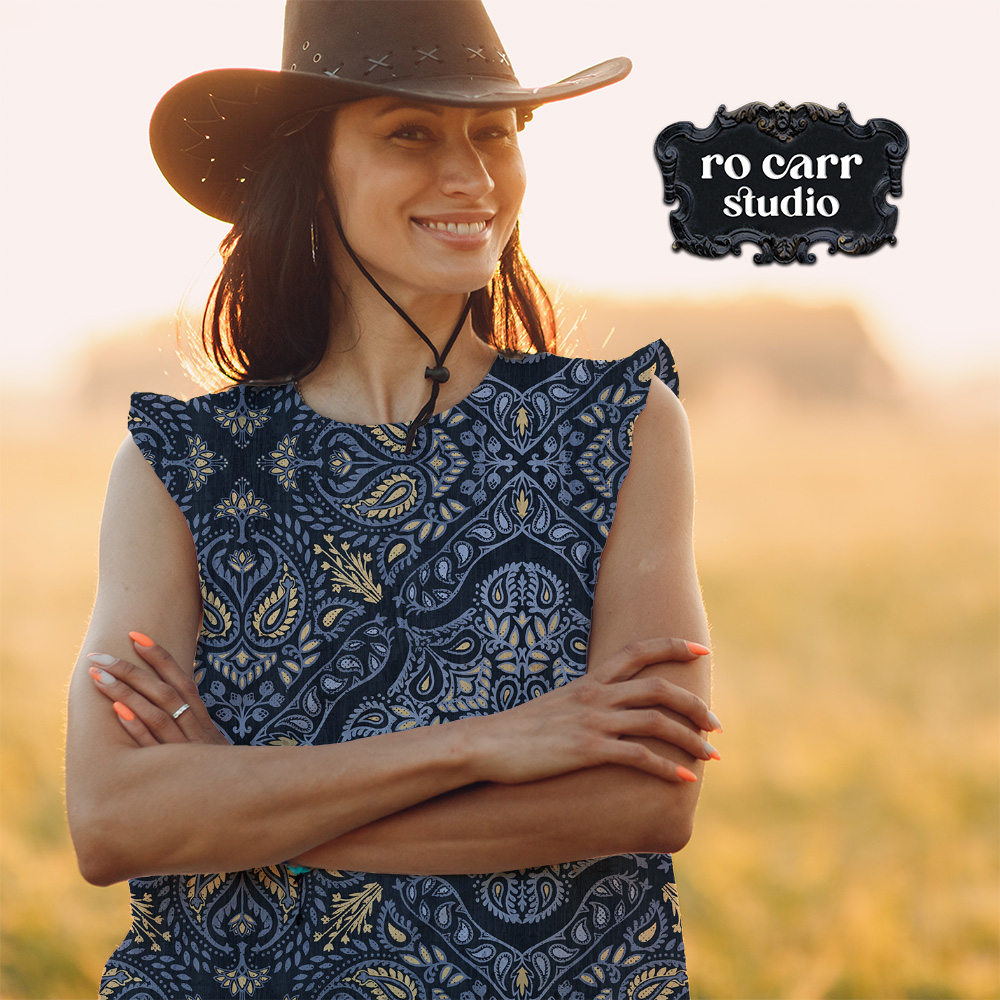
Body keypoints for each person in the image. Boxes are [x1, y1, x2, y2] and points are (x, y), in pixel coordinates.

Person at [65, 2, 720, 997]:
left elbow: (645, 797)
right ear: (309, 167)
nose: (470, 175)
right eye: (409, 132)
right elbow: (114, 820)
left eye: (493, 133)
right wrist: (489, 743)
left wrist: (246, 812)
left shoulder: (619, 424)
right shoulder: (182, 460)